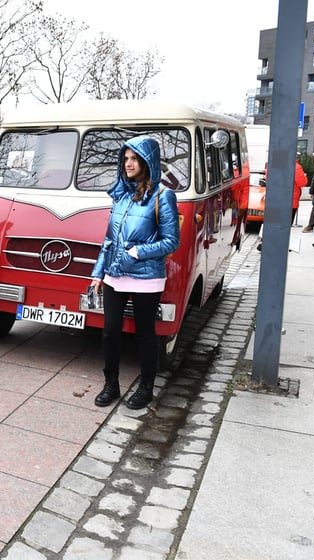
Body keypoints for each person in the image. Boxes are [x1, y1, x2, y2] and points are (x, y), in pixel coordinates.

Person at [90, 136, 180, 410]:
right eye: (125, 158)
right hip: (116, 274)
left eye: (134, 159)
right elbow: (109, 240)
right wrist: (98, 272)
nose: (128, 163)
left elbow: (171, 241)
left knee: (144, 334)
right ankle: (111, 384)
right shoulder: (121, 194)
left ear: (147, 161)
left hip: (146, 276)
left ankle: (146, 388)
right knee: (110, 331)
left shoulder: (163, 196)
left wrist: (137, 253)